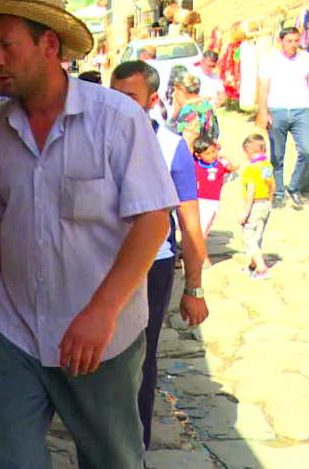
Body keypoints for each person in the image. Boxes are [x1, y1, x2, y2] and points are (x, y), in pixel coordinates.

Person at [0, 0, 179, 469]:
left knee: (111, 461)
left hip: (101, 339)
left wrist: (102, 311)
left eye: (6, 45)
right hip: (16, 332)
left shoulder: (116, 119)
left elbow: (153, 220)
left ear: (49, 45)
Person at [110, 60, 210, 450]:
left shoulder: (171, 147)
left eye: (129, 97)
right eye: (113, 95)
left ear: (152, 101)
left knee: (141, 355)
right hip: (99, 261)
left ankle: (136, 447)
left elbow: (189, 223)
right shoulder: (94, 137)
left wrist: (194, 288)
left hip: (153, 267)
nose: (119, 104)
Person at [255, 27, 309, 211]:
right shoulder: (270, 61)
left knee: (307, 150)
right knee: (277, 155)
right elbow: (263, 88)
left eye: (296, 41)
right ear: (280, 42)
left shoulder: (306, 59)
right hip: (277, 111)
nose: (293, 45)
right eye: (289, 41)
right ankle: (278, 193)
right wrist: (263, 111)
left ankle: (294, 187)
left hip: (301, 111)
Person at [240, 134, 275, 278]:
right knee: (258, 235)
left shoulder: (250, 169)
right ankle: (253, 264)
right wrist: (270, 201)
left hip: (255, 205)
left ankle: (261, 268)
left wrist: (245, 212)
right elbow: (272, 185)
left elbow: (251, 192)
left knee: (248, 237)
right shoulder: (267, 166)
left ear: (247, 150)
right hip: (265, 203)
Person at [192, 135, 239, 240]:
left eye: (213, 151)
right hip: (197, 200)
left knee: (203, 229)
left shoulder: (220, 165)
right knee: (194, 227)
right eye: (207, 153)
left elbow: (235, 166)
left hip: (211, 203)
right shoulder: (195, 165)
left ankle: (199, 248)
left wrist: (226, 157)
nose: (212, 155)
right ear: (198, 155)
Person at [168, 73, 219, 152]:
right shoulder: (207, 106)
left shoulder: (188, 111)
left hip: (189, 156)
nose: (173, 95)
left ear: (181, 90)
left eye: (175, 90)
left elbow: (188, 146)